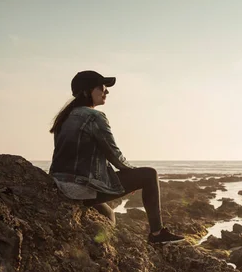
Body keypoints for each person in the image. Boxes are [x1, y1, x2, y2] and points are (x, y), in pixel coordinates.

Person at [49, 70, 185, 244]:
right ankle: (157, 234)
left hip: (61, 185)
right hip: (81, 188)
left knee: (108, 213)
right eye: (101, 87)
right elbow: (114, 154)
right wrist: (133, 175)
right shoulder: (94, 116)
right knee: (149, 175)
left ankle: (106, 248)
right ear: (86, 91)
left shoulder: (64, 118)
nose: (106, 91)